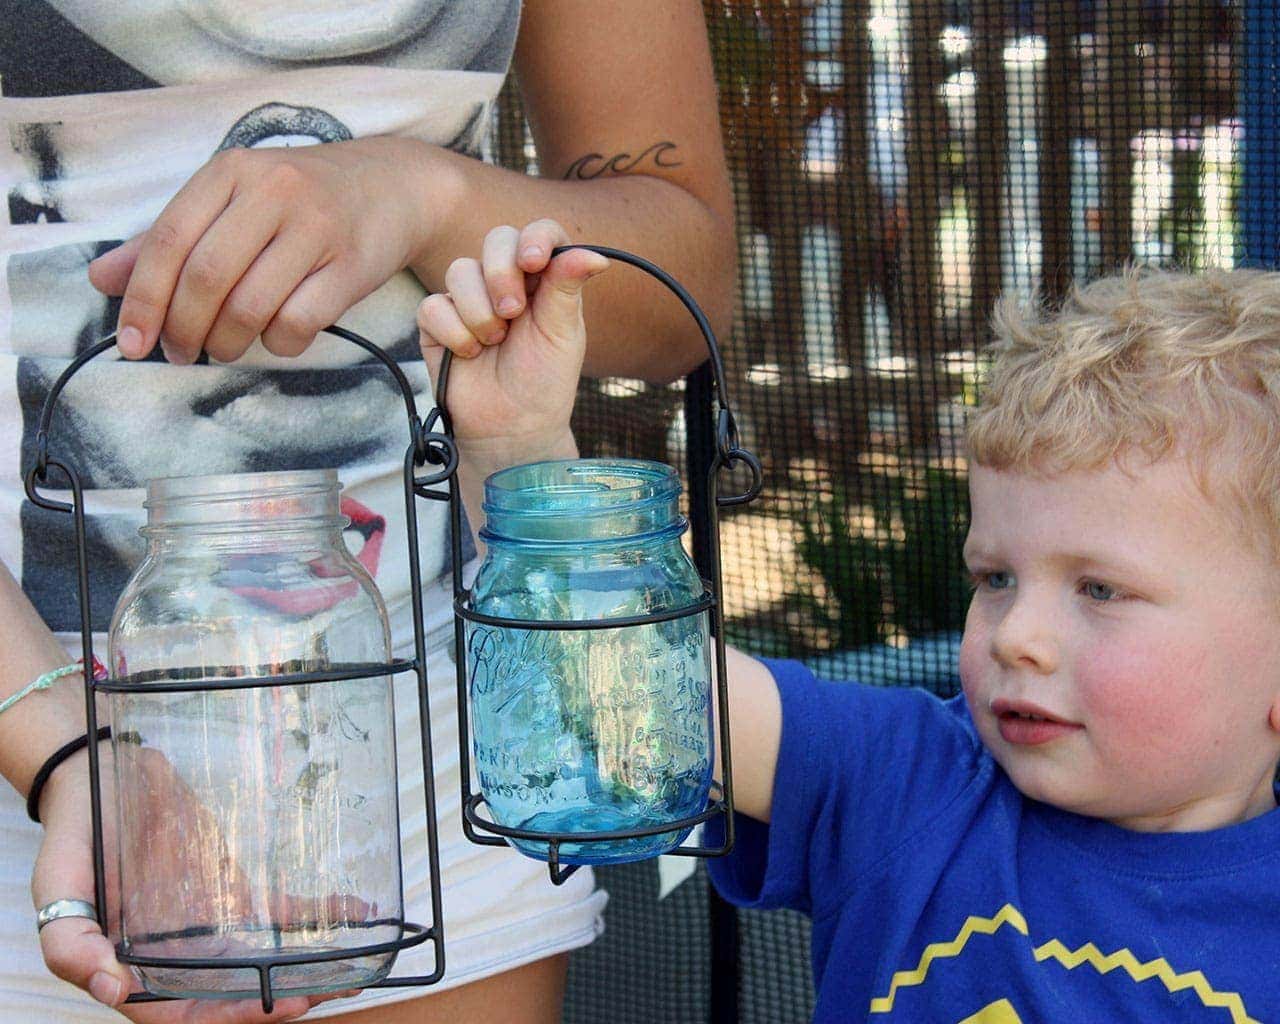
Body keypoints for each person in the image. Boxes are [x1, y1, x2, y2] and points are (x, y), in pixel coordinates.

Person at [0, 3, 735, 1021]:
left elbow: (683, 286)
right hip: (30, 794)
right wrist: (61, 753)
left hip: (432, 791)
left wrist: (422, 193)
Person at [427, 242, 1280, 1022]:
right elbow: (634, 693)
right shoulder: (910, 781)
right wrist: (515, 445)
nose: (1018, 634)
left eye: (1100, 589)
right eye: (995, 578)